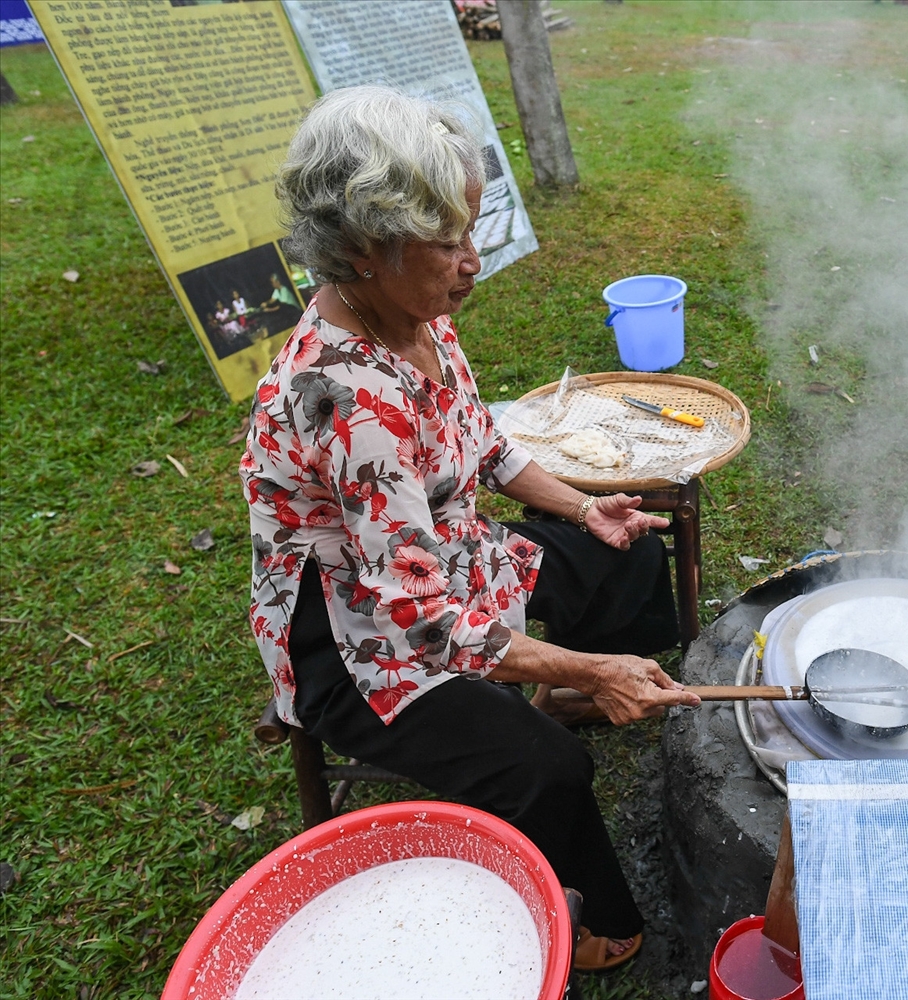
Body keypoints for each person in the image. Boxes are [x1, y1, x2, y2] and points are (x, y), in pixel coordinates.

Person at [242, 85, 698, 973]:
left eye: (469, 233)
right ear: (368, 250)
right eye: (448, 242)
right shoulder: (346, 397)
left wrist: (581, 507)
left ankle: (565, 689)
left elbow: (484, 445)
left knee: (624, 554)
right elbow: (420, 623)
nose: (471, 261)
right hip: (356, 641)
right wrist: (582, 660)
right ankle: (594, 923)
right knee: (548, 770)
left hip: (443, 565)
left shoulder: (417, 321)